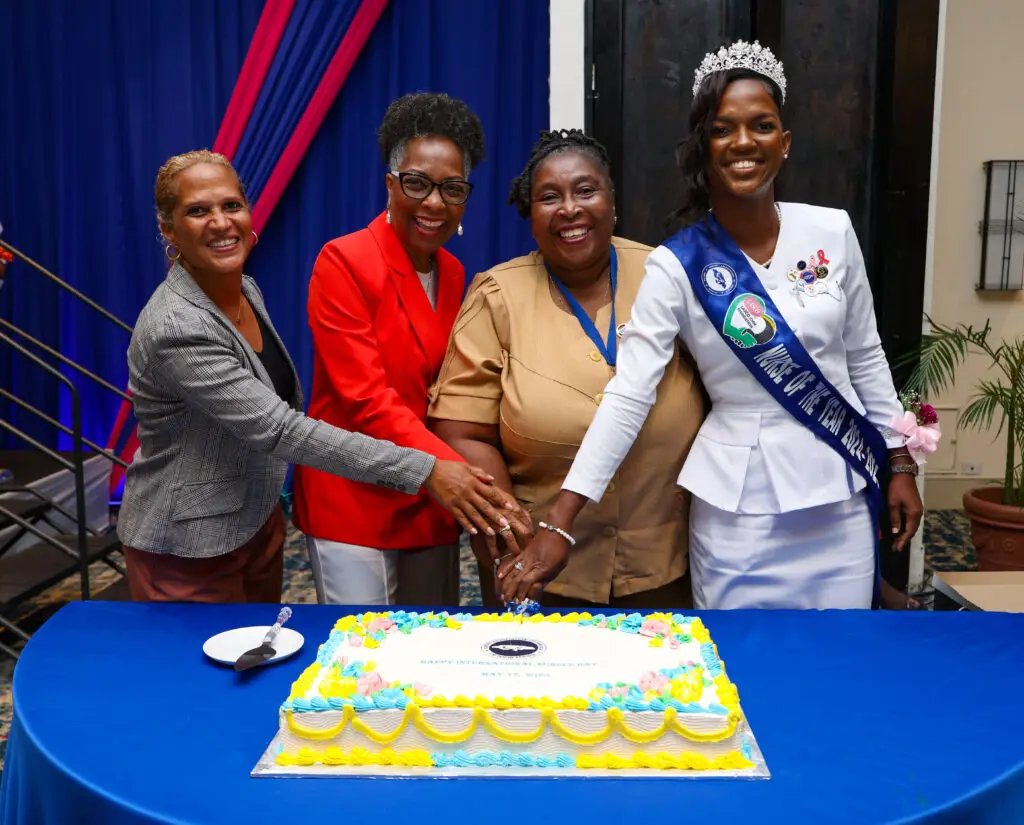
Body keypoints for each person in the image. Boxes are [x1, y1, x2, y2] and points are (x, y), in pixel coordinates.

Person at [497, 41, 923, 610]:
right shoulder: (676, 265)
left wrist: (898, 459)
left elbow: (865, 356)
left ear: (785, 141)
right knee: (735, 660)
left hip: (838, 501)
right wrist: (561, 521)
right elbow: (628, 396)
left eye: (762, 125)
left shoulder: (833, 231)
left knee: (839, 653)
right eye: (723, 129)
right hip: (736, 513)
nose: (744, 142)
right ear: (705, 146)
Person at [118, 150, 520, 604]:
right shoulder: (177, 325)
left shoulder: (242, 288)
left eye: (231, 205)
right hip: (188, 543)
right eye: (198, 211)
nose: (221, 222)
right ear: (169, 230)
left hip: (255, 525)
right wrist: (428, 469)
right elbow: (279, 428)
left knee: (264, 652)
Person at [430, 129, 706, 609]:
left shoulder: (667, 275)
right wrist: (509, 532)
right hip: (539, 570)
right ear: (530, 214)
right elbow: (461, 432)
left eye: (585, 190)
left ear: (612, 201)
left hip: (665, 560)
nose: (569, 209)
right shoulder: (497, 296)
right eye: (549, 197)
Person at [291, 93, 529, 607]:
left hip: (431, 500)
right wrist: (457, 473)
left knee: (428, 645)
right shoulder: (343, 261)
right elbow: (366, 400)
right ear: (390, 185)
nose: (434, 203)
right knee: (364, 649)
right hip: (357, 494)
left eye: (452, 189)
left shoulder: (455, 273)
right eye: (417, 183)